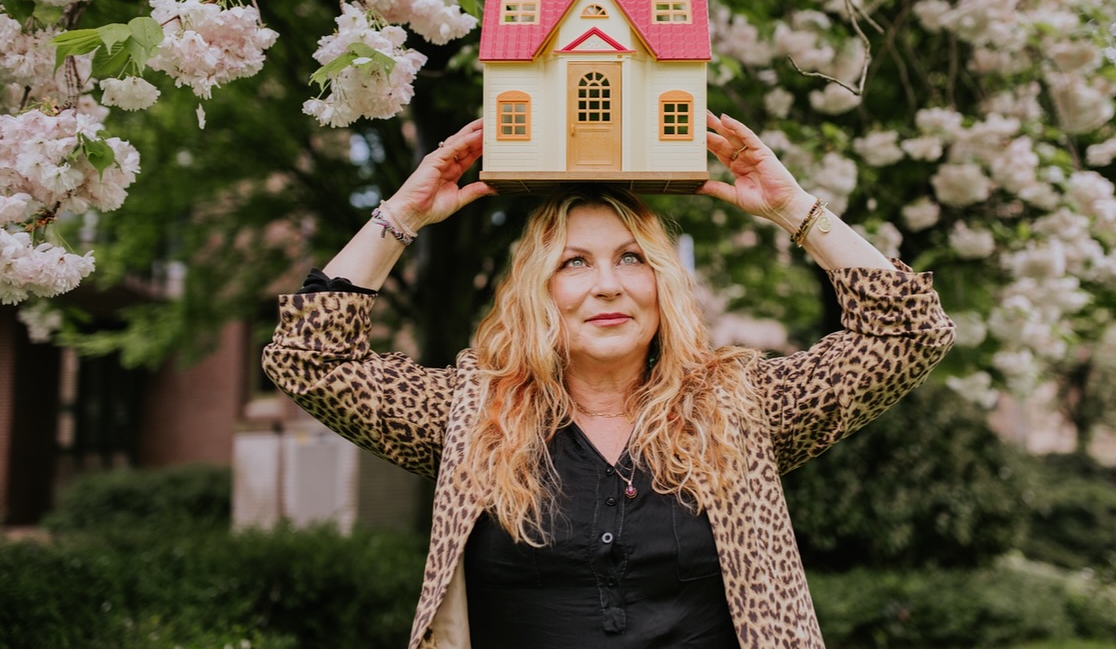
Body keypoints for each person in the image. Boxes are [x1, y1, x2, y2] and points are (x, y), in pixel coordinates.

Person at [262, 112, 956, 649]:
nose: (606, 286)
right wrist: (402, 214)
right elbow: (309, 357)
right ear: (540, 291)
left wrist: (796, 210)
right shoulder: (473, 415)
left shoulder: (734, 409)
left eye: (630, 259)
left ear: (662, 283)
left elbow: (908, 331)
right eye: (575, 263)